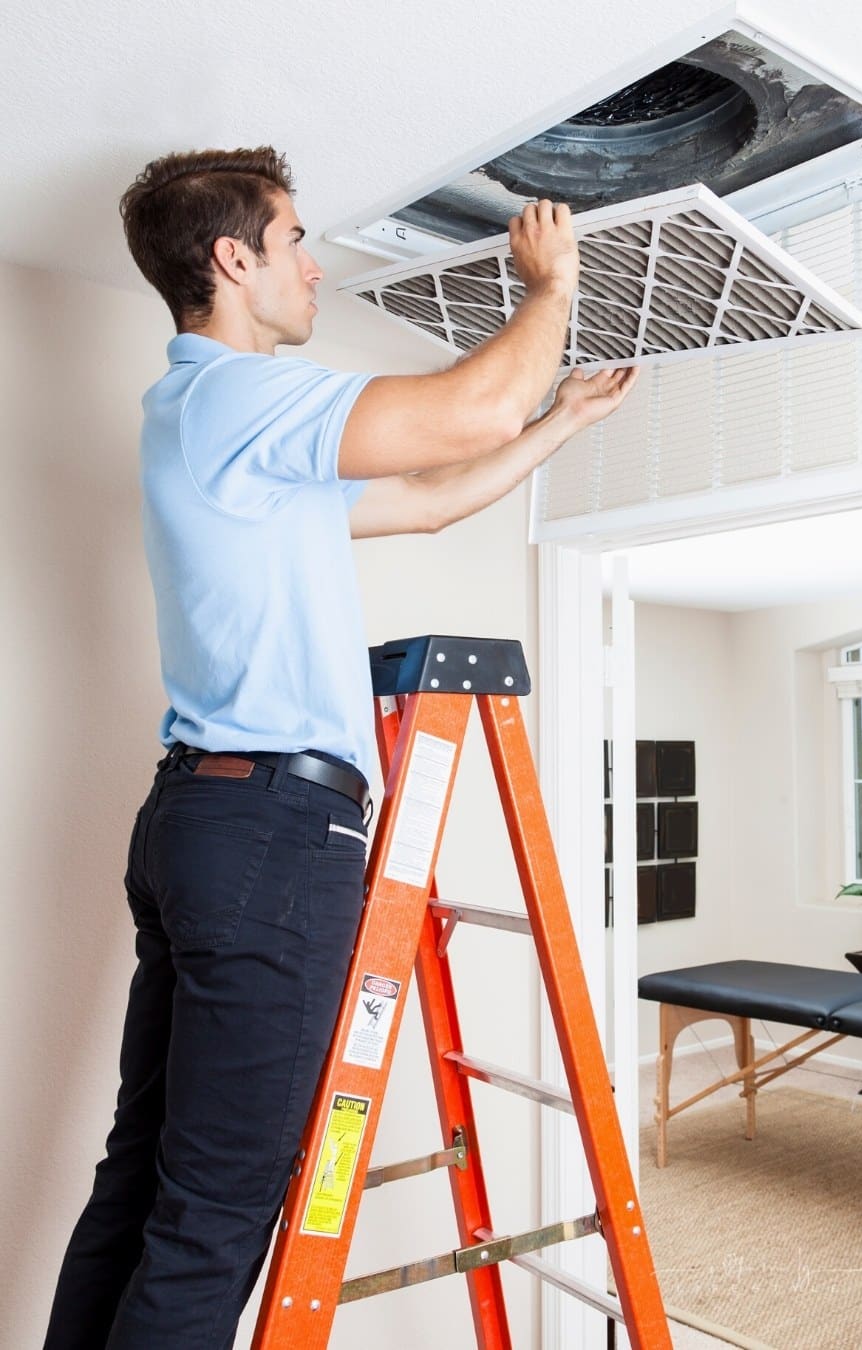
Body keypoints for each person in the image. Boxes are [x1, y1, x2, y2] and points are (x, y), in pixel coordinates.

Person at [43, 146, 637, 1350]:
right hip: (265, 834)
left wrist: (560, 421)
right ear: (233, 261)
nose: (315, 265)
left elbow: (425, 496)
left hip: (203, 823)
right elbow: (465, 408)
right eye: (297, 240)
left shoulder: (210, 425)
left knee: (147, 1180)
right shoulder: (238, 398)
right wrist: (547, 294)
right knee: (214, 1212)